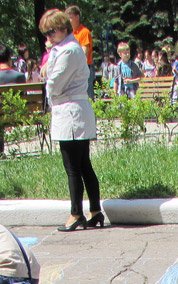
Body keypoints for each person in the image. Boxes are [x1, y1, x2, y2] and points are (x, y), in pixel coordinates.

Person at [41, 8, 103, 232]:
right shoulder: (64, 49)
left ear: (63, 28)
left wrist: (48, 82)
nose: (48, 36)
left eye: (52, 31)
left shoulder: (68, 51)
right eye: (45, 33)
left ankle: (76, 213)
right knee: (83, 164)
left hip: (70, 111)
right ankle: (95, 211)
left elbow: (54, 83)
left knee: (74, 167)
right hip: (71, 110)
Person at [65, 5, 95, 99]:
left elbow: (83, 53)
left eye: (70, 17)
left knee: (87, 96)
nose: (68, 20)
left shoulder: (84, 32)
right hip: (73, 70)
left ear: (77, 17)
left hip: (85, 68)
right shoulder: (69, 34)